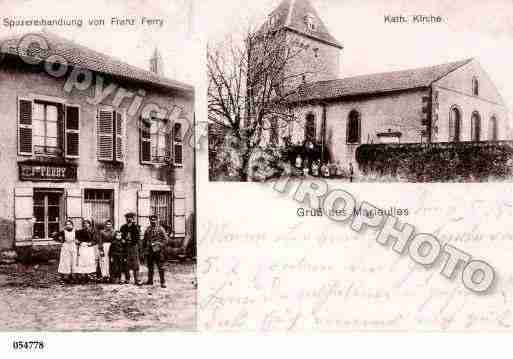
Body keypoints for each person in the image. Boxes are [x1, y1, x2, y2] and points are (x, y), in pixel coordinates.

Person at [143, 215, 168, 288]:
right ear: (149, 221)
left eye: (154, 220)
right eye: (151, 220)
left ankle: (162, 282)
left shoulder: (161, 229)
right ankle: (150, 280)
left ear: (157, 220)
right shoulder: (148, 229)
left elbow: (166, 240)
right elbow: (145, 240)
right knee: (150, 267)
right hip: (150, 251)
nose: (153, 221)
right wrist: (144, 250)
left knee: (161, 267)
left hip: (158, 251)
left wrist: (159, 244)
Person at [120, 212, 141, 285]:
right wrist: (122, 240)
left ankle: (137, 279)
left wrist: (131, 242)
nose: (129, 219)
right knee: (126, 263)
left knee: (135, 263)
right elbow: (120, 236)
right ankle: (127, 279)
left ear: (133, 219)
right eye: (127, 218)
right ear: (126, 219)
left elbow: (137, 238)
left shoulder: (136, 227)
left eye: (131, 218)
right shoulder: (123, 227)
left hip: (133, 247)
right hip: (125, 247)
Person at [54, 219, 78, 284]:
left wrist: (78, 241)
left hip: (73, 246)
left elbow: (81, 237)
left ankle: (72, 277)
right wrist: (60, 240)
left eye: (70, 224)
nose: (68, 225)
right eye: (67, 224)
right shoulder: (63, 232)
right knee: (65, 261)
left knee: (73, 261)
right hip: (66, 247)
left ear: (72, 225)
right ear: (65, 226)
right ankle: (64, 277)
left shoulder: (75, 231)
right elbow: (54, 236)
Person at [75, 219, 98, 283]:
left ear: (90, 224)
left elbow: (96, 240)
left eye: (87, 223)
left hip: (89, 248)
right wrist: (78, 241)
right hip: (82, 247)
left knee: (89, 261)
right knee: (82, 261)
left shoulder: (93, 231)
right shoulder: (79, 232)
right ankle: (83, 276)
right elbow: (76, 239)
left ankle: (90, 277)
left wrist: (91, 243)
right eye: (84, 223)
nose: (86, 225)